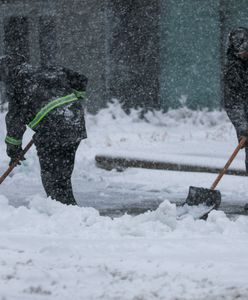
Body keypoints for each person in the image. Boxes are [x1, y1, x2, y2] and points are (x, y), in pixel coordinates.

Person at [0, 53, 88, 205]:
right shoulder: (50, 70)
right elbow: (81, 79)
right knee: (63, 176)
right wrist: (75, 102)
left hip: (52, 132)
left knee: (52, 179)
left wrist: (14, 151)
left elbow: (15, 122)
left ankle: (63, 212)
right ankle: (70, 211)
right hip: (74, 123)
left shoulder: (17, 85)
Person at [224, 27, 248, 173]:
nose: (245, 54)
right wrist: (243, 128)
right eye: (242, 51)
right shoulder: (233, 71)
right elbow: (233, 103)